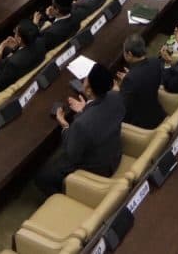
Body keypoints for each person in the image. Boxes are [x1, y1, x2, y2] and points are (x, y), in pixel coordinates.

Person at [35, 63, 126, 196]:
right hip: (115, 155)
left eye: (86, 79)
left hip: (98, 169)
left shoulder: (81, 124)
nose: (84, 80)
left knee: (42, 177)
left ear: (88, 90)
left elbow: (72, 155)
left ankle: (69, 196)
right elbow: (101, 116)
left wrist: (65, 126)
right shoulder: (116, 97)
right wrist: (86, 109)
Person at [116, 34, 165, 129]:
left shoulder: (130, 79)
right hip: (158, 113)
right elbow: (143, 78)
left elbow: (124, 110)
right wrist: (130, 76)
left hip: (143, 125)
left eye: (124, 52)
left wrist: (118, 90)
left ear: (129, 54)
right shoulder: (155, 62)